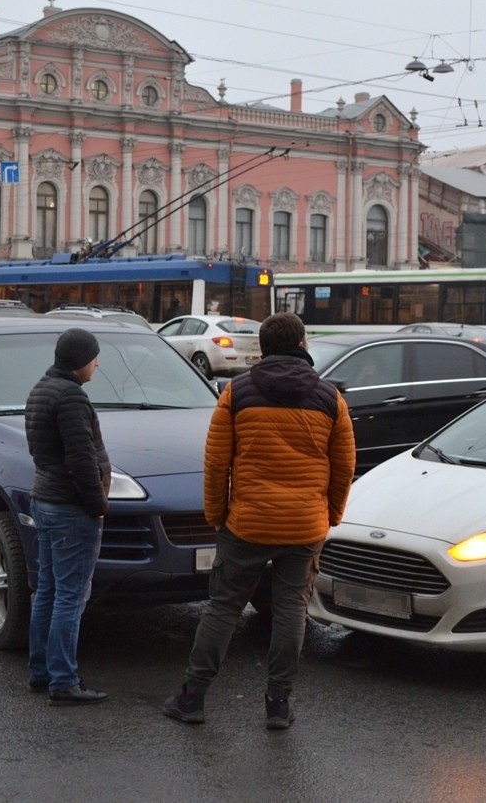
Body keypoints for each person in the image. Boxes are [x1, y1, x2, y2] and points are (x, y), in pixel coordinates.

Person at [163, 312, 355, 730]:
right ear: (302, 344)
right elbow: (344, 467)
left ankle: (193, 698)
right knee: (290, 610)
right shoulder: (329, 397)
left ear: (263, 348)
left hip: (246, 524)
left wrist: (217, 516)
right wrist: (330, 517)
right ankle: (278, 705)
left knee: (223, 607)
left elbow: (216, 464)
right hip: (304, 526)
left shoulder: (237, 393)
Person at [25, 327, 111, 707]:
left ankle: (41, 670)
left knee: (48, 590)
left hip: (45, 499)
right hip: (70, 508)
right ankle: (64, 679)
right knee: (70, 597)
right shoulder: (72, 397)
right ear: (81, 361)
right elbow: (81, 458)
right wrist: (97, 504)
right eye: (94, 357)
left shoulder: (42, 389)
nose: (97, 363)